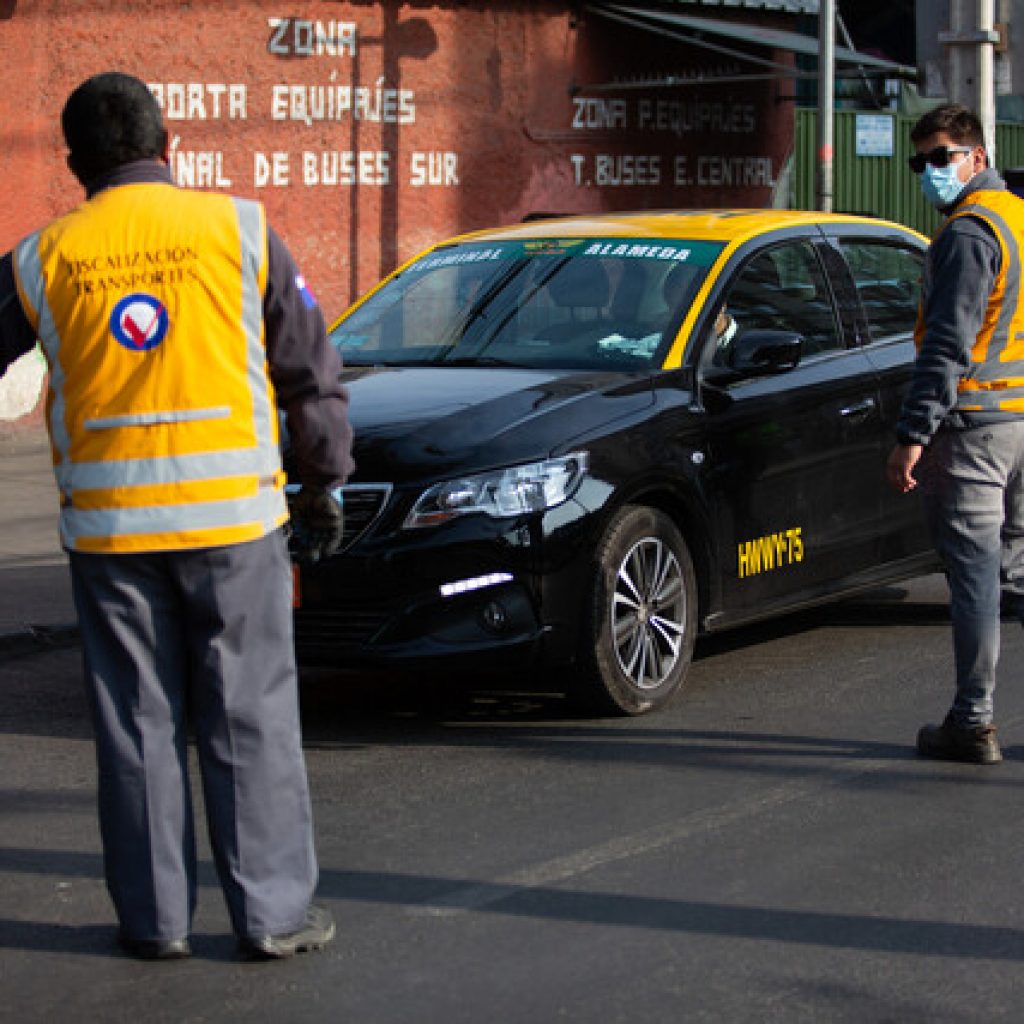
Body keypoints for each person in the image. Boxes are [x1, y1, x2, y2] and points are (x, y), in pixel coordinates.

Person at [0, 72, 354, 958]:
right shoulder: (239, 230)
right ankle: (272, 917)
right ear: (171, 149)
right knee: (249, 716)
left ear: (76, 166)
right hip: (235, 528)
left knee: (136, 724)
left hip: (112, 538)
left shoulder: (42, 258)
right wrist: (322, 481)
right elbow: (310, 370)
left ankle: (154, 923)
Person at [886, 103, 1024, 765]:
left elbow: (947, 344)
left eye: (941, 157)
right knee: (1017, 576)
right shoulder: (1020, 217)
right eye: (920, 162)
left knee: (976, 581)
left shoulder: (969, 234)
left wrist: (914, 432)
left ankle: (972, 722)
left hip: (975, 429)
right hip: (1022, 423)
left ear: (976, 156)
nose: (929, 172)